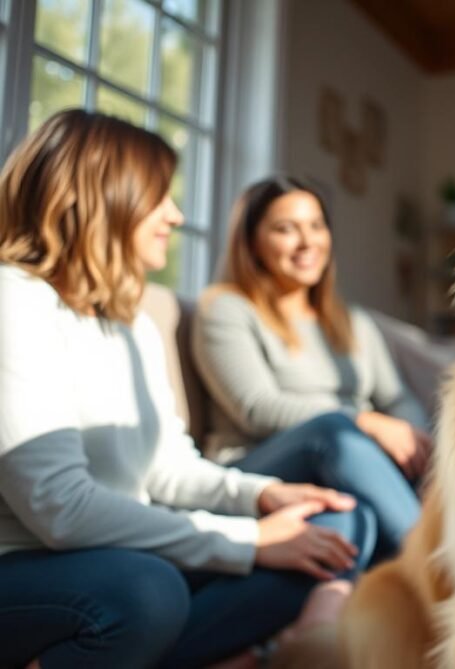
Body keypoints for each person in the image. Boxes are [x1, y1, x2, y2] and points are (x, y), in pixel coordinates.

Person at [0, 109, 377, 669]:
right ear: (104, 199)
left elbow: (169, 470)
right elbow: (61, 510)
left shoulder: (130, 325)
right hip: (31, 565)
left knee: (333, 529)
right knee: (146, 593)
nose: (174, 216)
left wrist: (261, 496)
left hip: (119, 547)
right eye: (159, 198)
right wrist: (246, 542)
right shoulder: (16, 301)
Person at [192, 176, 430, 562]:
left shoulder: (350, 320)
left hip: (352, 460)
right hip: (261, 463)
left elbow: (397, 396)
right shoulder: (225, 308)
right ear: (251, 241)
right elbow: (256, 408)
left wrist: (415, 440)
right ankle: (435, 569)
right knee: (332, 432)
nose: (307, 242)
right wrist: (363, 422)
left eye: (316, 226)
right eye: (286, 229)